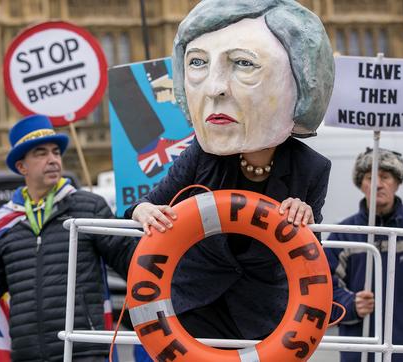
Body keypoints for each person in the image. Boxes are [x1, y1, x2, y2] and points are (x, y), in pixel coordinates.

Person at [126, 0, 335, 341]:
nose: (215, 88)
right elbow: (143, 206)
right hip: (195, 309)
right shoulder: (201, 155)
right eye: (197, 64)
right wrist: (144, 210)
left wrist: (306, 219)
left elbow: (311, 254)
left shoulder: (311, 167)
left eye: (243, 64)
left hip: (262, 318)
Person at [0, 114, 136, 362]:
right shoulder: (5, 222)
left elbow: (131, 261)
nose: (52, 159)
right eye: (41, 153)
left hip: (83, 349)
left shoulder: (89, 207)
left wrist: (143, 214)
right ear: (22, 167)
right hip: (27, 353)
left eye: (56, 152)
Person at [325, 148, 403, 362]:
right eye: (369, 177)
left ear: (397, 182)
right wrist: (351, 303)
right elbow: (323, 289)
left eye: (385, 177)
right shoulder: (343, 232)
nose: (377, 184)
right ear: (360, 184)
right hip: (363, 353)